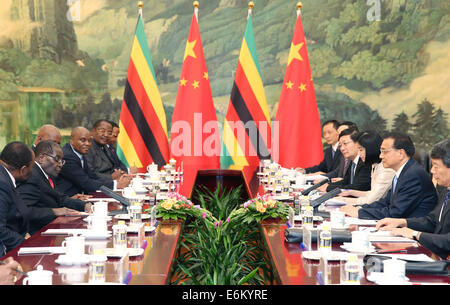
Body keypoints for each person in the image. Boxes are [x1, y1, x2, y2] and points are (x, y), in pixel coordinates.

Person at [376, 139, 450, 259]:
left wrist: (415, 234)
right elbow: (433, 221)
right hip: (436, 256)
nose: (432, 171)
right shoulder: (446, 190)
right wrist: (402, 222)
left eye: (436, 167)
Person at [342, 132, 437, 220]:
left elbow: (395, 213)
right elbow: (385, 202)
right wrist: (358, 208)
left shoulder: (412, 175)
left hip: (412, 231)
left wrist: (360, 213)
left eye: (384, 151)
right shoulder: (403, 172)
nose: (380, 156)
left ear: (400, 153)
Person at [16, 141, 91, 235]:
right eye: (57, 159)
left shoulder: (46, 174)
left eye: (61, 160)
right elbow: (23, 210)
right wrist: (54, 211)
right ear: (41, 158)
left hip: (51, 228)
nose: (60, 164)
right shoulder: (32, 176)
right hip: (36, 234)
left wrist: (84, 205)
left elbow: (60, 198)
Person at [56, 127, 132, 197]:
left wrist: (116, 181)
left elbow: (93, 177)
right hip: (68, 200)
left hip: (83, 196)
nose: (87, 144)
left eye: (89, 141)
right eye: (83, 140)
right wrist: (116, 184)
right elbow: (86, 183)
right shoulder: (68, 156)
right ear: (72, 141)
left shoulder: (79, 152)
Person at [336, 131, 395, 205]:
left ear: (371, 149)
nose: (359, 154)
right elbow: (373, 193)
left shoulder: (386, 170)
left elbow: (371, 200)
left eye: (361, 150)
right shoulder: (375, 165)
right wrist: (351, 192)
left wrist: (343, 200)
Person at [0, 142, 33, 253]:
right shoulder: (2, 183)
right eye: (31, 168)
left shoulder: (4, 176)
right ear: (23, 170)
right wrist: (26, 244)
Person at [322, 127, 372, 192]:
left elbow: (358, 187)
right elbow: (346, 181)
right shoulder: (352, 162)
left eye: (345, 144)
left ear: (357, 143)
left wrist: (329, 188)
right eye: (340, 146)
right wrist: (327, 185)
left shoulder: (365, 162)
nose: (342, 148)